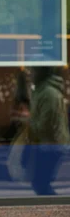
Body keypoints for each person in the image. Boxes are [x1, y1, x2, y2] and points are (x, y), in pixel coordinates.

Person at [28, 67, 70, 195]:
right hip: (48, 145)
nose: (31, 74)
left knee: (40, 184)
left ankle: (55, 210)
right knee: (40, 184)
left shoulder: (48, 94)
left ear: (41, 73)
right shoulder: (42, 91)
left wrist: (27, 121)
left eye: (33, 71)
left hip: (51, 146)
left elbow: (44, 128)